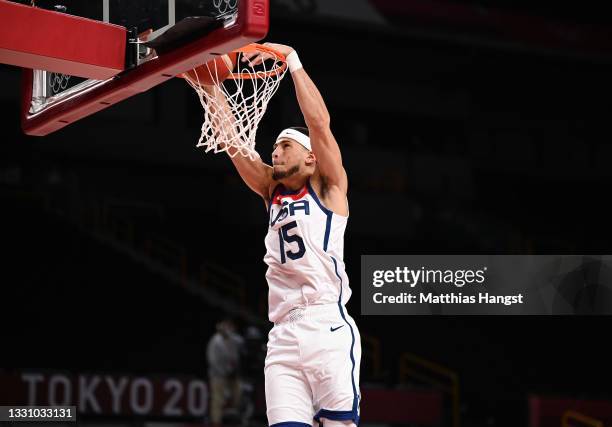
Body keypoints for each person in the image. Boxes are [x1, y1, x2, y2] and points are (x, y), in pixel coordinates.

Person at [190, 42, 362, 427]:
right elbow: (233, 141)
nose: (276, 153)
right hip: (282, 337)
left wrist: (292, 59)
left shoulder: (329, 187)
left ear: (310, 157)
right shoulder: (271, 190)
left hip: (326, 327)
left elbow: (319, 125)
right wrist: (204, 82)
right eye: (275, 147)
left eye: (285, 146)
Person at [206, 317, 244, 427]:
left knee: (238, 394)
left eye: (230, 326)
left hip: (233, 374)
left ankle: (235, 419)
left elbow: (241, 343)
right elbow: (212, 361)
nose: (228, 328)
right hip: (218, 375)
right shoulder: (215, 341)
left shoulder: (234, 339)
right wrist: (224, 372)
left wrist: (230, 336)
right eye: (226, 326)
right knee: (217, 399)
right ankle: (216, 422)